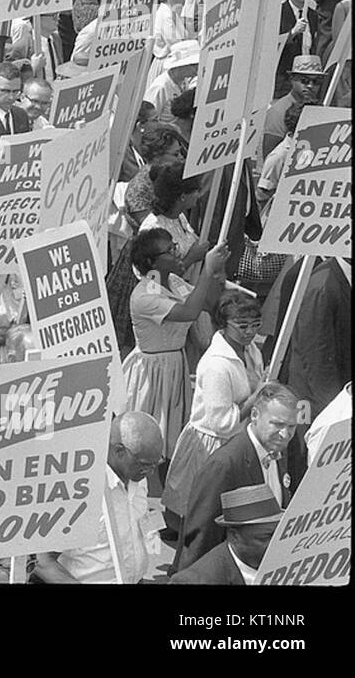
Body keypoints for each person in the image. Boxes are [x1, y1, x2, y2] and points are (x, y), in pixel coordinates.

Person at [123, 227, 230, 463]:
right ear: (152, 262)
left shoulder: (173, 281)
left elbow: (208, 301)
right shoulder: (145, 296)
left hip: (174, 365)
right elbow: (190, 311)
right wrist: (207, 270)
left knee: (172, 440)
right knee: (147, 441)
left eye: (174, 246)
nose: (177, 253)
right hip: (152, 374)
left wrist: (216, 269)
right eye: (170, 250)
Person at [175, 384, 303, 572]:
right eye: (277, 424)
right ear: (254, 415)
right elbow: (200, 538)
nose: (285, 434)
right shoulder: (224, 465)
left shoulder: (277, 451)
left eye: (291, 426)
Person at [163, 294, 266, 528]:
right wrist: (256, 396)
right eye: (242, 326)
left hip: (238, 443)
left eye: (255, 325)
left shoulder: (251, 352)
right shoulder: (216, 365)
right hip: (211, 446)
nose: (249, 332)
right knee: (199, 516)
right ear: (224, 325)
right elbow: (221, 424)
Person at [34, 412, 166, 584]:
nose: (150, 472)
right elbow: (43, 562)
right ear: (119, 451)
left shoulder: (138, 479)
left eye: (156, 463)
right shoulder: (78, 489)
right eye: (145, 465)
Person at [169, 484, 283, 585]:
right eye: (264, 538)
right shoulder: (195, 580)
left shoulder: (285, 563)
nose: (275, 544)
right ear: (234, 536)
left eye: (279, 534)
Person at [261, 54, 324, 158]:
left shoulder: (318, 108)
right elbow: (271, 156)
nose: (310, 86)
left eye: (316, 81)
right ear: (292, 79)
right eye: (304, 80)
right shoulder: (278, 112)